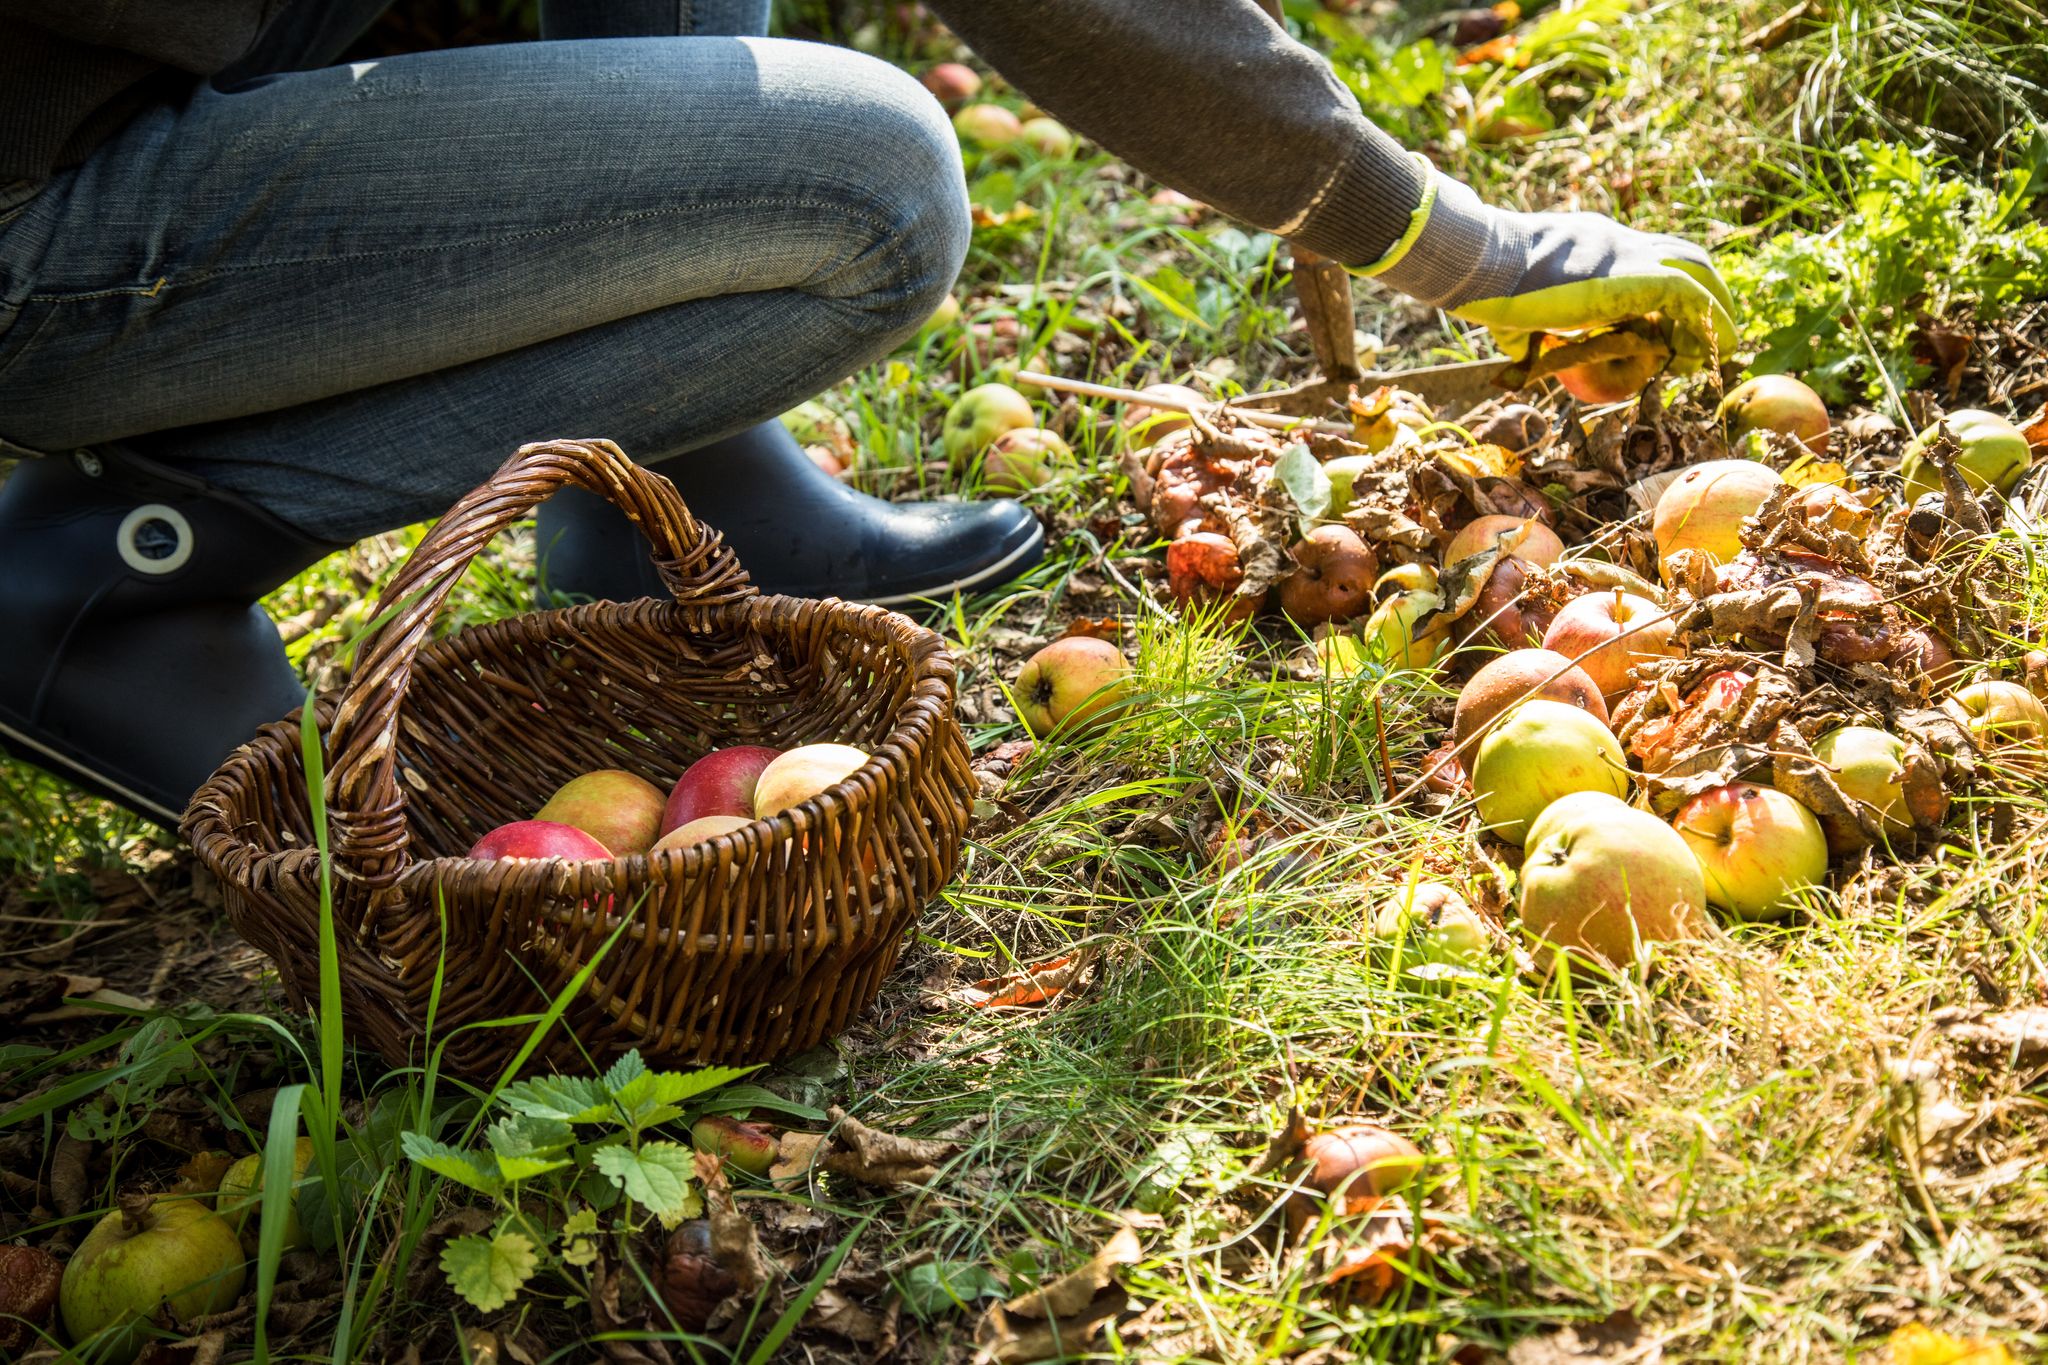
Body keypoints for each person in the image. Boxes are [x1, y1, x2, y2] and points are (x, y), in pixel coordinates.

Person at [0, 0, 1736, 826]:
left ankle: (663, 472)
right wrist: (1449, 239)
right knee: (875, 187)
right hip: (37, 206)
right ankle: (121, 567)